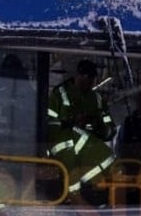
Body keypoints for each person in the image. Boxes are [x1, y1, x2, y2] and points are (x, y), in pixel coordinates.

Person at [47, 59, 116, 199]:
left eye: (92, 79)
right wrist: (69, 122)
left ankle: (86, 196)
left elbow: (110, 131)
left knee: (109, 161)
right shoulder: (59, 94)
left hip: (88, 154)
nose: (89, 82)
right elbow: (48, 124)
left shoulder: (97, 99)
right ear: (78, 75)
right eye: (86, 78)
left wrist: (95, 123)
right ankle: (71, 197)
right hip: (64, 151)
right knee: (68, 182)